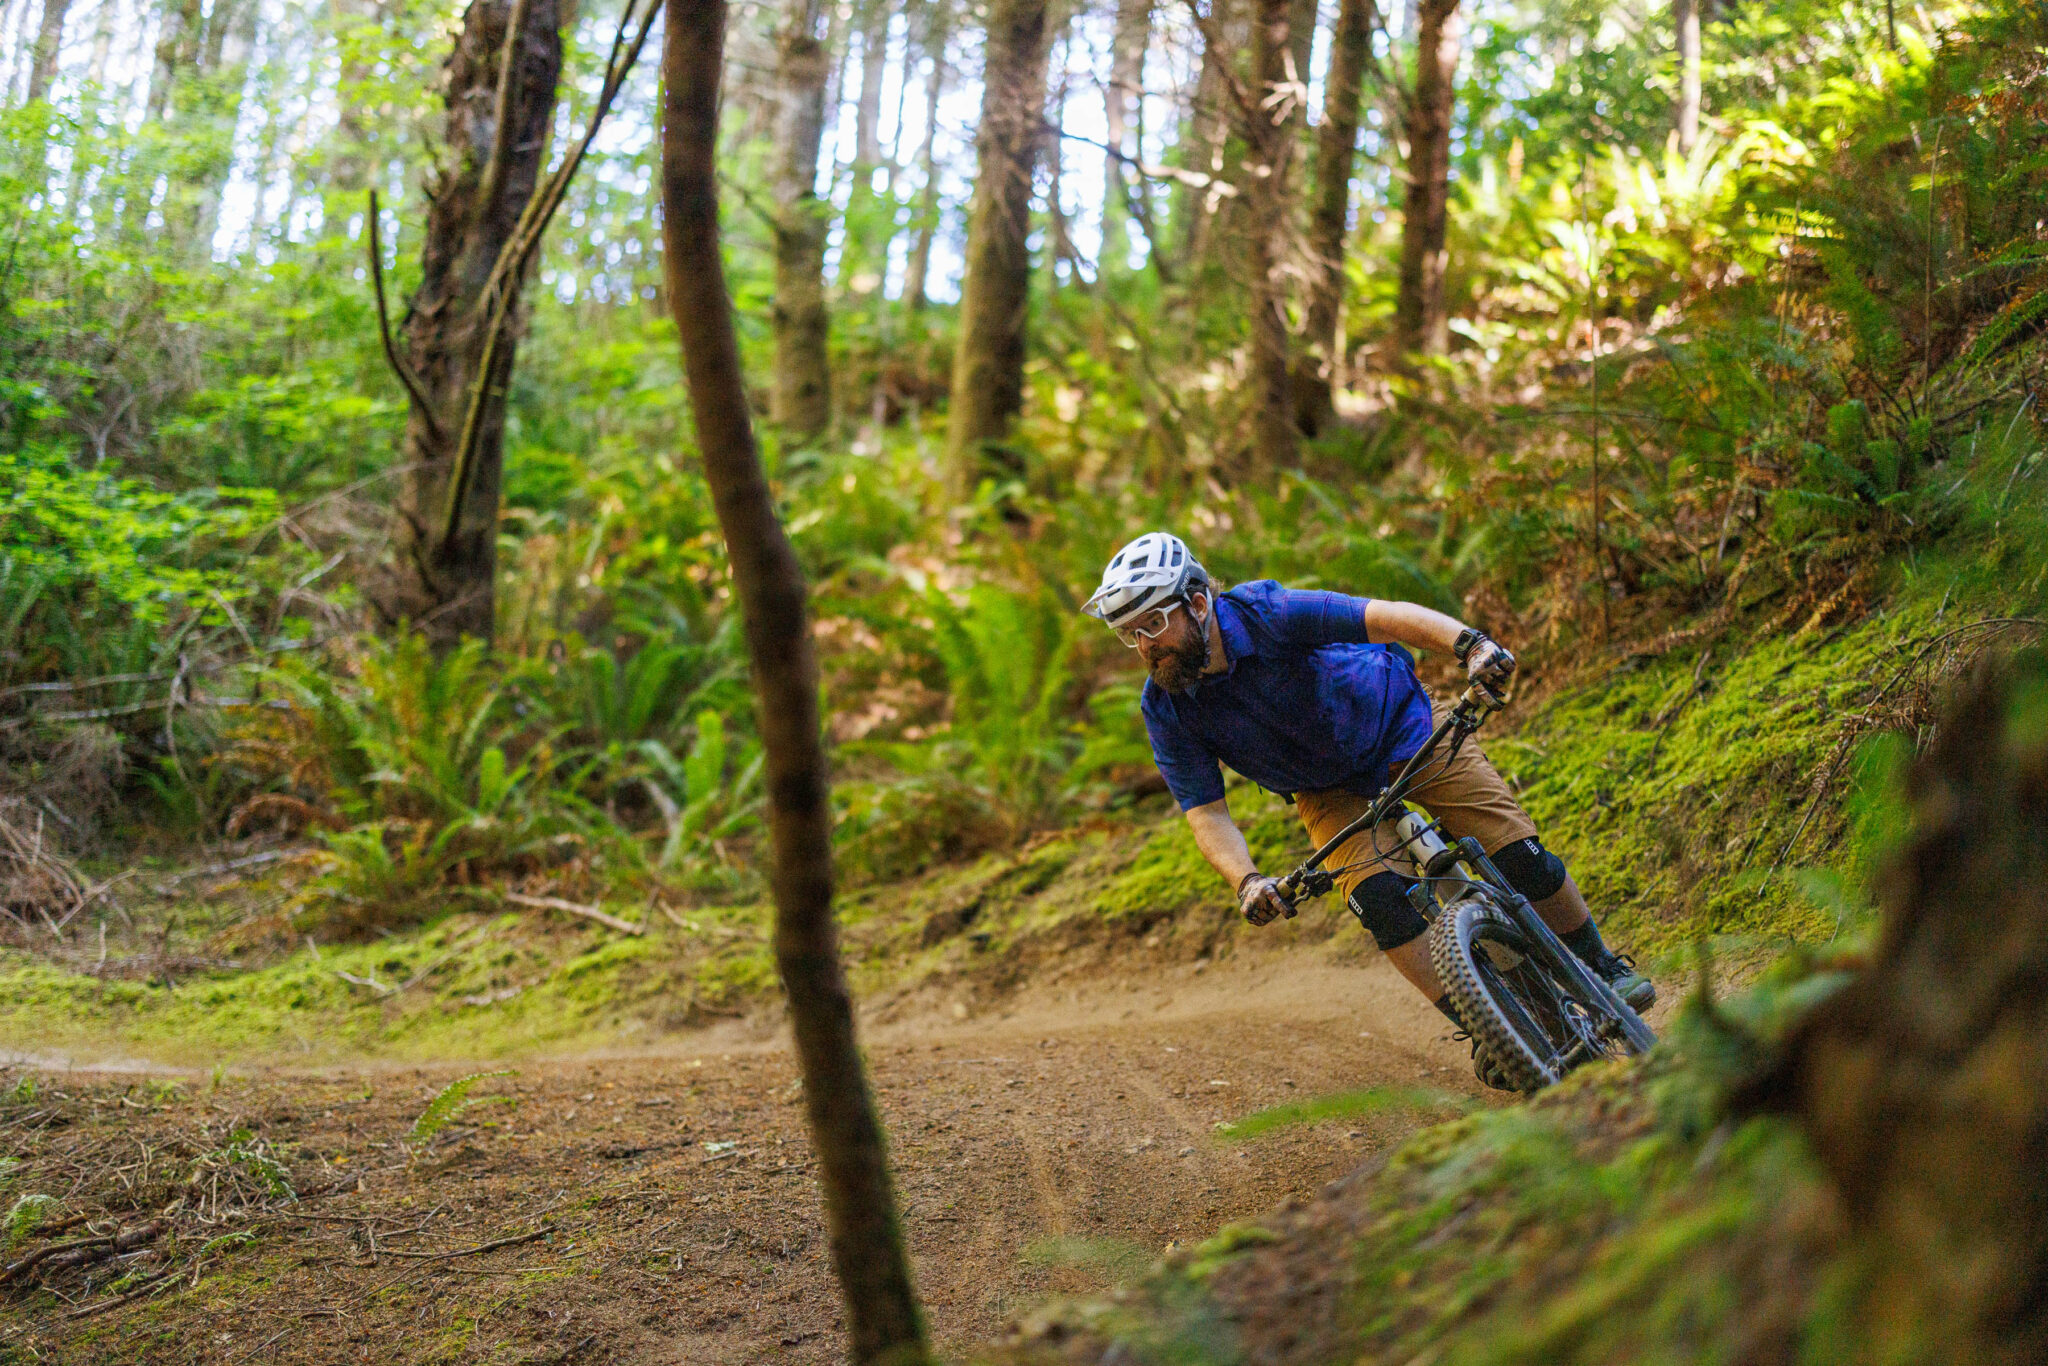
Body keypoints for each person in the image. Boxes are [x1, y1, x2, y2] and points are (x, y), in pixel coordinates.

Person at [1081, 531, 1653, 1089]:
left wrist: (1471, 645)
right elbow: (1206, 813)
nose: (1145, 645)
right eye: (1130, 633)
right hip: (1327, 789)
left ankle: (1601, 966)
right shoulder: (1165, 708)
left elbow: (1383, 615)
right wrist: (1247, 881)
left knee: (1516, 854)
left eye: (1153, 623)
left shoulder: (1267, 612)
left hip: (1407, 729)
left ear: (1199, 602)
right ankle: (1485, 1029)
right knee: (1380, 905)